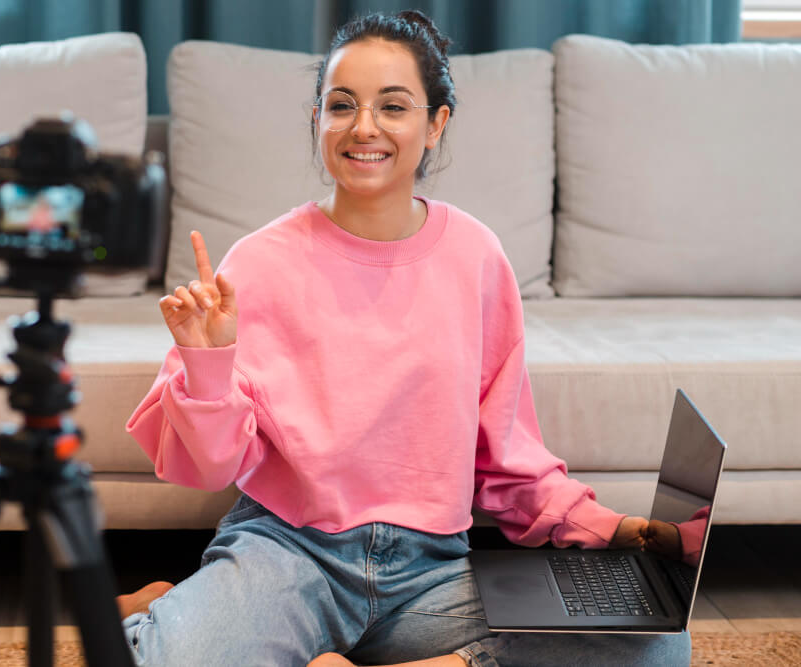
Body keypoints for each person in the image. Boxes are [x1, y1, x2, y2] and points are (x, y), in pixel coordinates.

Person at [118, 9, 692, 666]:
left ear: (435, 123)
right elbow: (211, 468)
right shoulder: (256, 263)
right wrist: (208, 361)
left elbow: (506, 459)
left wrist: (616, 529)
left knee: (660, 647)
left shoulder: (477, 256)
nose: (364, 127)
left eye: (393, 106)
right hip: (290, 554)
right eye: (342, 105)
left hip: (431, 574)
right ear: (317, 120)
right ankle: (181, 604)